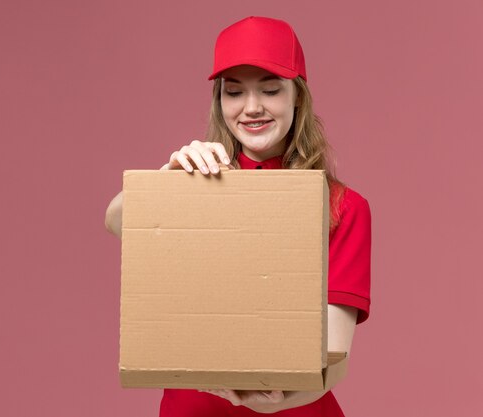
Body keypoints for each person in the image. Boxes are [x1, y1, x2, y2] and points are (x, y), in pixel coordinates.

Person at [105, 16, 371, 416]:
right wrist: (167, 180)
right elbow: (115, 219)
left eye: (270, 89)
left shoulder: (341, 206)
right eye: (234, 92)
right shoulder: (198, 184)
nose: (251, 108)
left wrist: (271, 401)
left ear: (297, 96)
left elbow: (335, 356)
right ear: (219, 101)